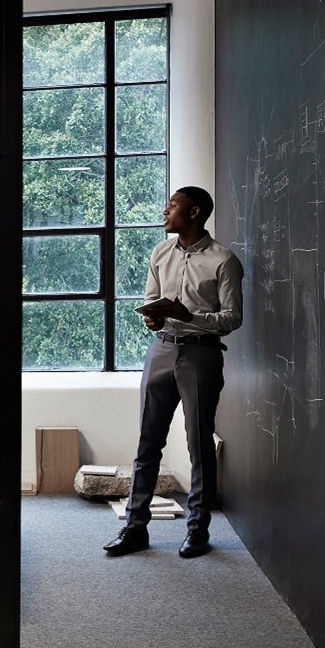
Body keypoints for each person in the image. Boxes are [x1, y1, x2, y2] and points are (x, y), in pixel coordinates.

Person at [104, 186, 244, 560]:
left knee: (199, 444)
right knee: (147, 442)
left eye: (172, 206)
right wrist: (152, 316)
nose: (165, 212)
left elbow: (233, 318)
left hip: (201, 354)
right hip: (161, 350)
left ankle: (197, 529)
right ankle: (135, 528)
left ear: (195, 212)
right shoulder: (160, 252)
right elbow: (153, 300)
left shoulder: (223, 260)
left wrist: (190, 317)